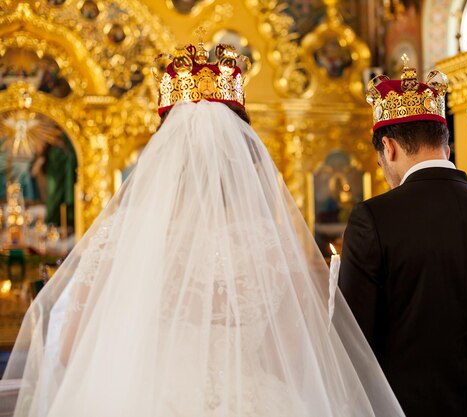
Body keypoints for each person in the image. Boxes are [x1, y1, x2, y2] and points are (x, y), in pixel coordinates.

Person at [3, 44, 404, 417]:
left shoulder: (123, 234)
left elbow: (71, 346)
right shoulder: (267, 242)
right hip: (253, 401)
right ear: (242, 154)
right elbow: (299, 355)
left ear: (162, 153)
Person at [338, 64, 467, 417]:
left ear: (389, 148)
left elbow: (352, 344)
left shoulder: (373, 219)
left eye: (380, 161)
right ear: (446, 144)